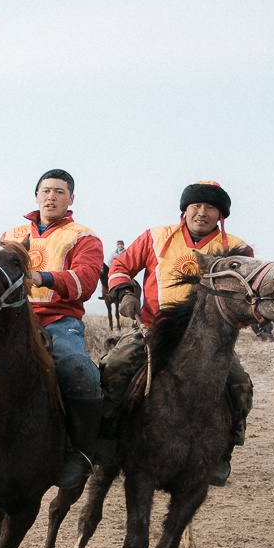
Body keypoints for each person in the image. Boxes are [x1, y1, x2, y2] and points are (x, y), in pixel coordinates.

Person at [0, 169, 105, 489]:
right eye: (45, 191)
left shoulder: (84, 237)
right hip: (7, 320)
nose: (51, 196)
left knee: (78, 369)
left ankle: (81, 452)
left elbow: (86, 280)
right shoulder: (11, 234)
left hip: (58, 323)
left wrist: (43, 278)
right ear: (37, 196)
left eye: (59, 191)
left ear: (71, 198)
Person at [103, 180, 253, 486]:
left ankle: (224, 451)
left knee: (239, 384)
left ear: (220, 214)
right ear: (184, 210)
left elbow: (245, 291)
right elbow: (120, 265)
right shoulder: (155, 237)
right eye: (195, 205)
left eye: (210, 207)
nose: (202, 212)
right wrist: (125, 293)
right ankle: (107, 440)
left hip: (211, 339)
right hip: (153, 329)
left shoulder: (237, 249)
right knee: (114, 368)